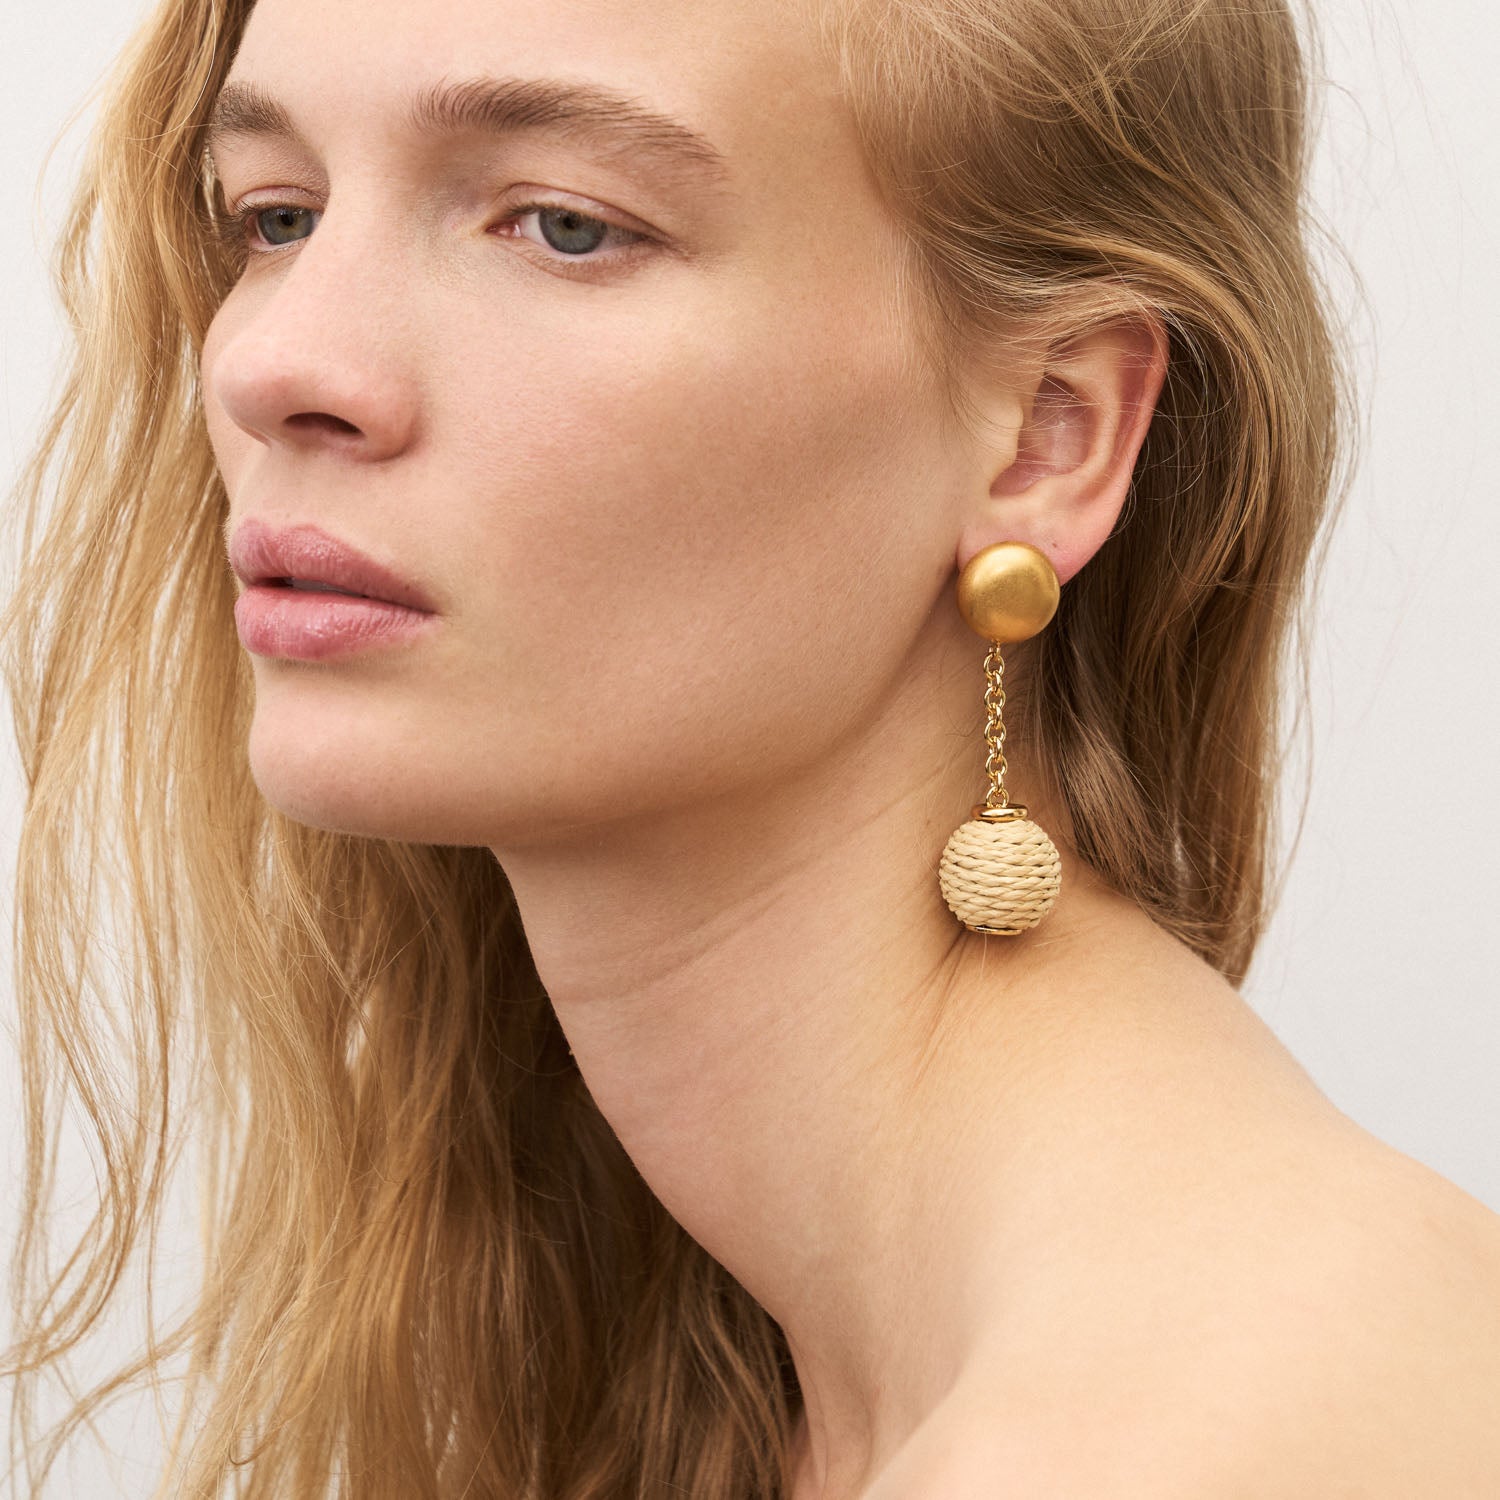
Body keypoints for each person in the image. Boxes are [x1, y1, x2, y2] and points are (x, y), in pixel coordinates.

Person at [4, 0, 1499, 1495]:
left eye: (566, 227)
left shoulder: (1171, 1443)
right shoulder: (829, 1375)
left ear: (1049, 431)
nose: (275, 365)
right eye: (277, 215)